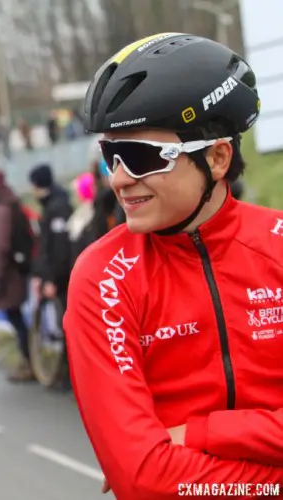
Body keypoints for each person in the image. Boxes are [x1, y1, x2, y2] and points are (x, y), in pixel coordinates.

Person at [64, 32, 283, 499]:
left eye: (142, 157)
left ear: (218, 157)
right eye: (111, 156)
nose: (121, 179)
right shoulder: (100, 277)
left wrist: (202, 433)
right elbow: (142, 476)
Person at [0, 170, 34, 382]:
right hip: (11, 273)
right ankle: (28, 360)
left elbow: (2, 246)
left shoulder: (1, 210)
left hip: (9, 275)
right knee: (16, 318)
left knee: (16, 319)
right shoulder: (7, 206)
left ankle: (29, 361)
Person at [28, 163, 72, 306]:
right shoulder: (50, 207)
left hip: (63, 280)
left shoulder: (58, 208)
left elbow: (60, 247)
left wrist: (51, 279)